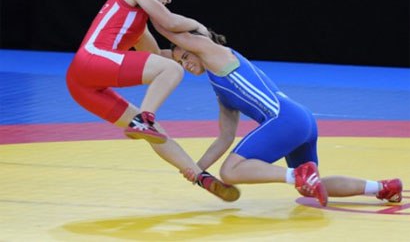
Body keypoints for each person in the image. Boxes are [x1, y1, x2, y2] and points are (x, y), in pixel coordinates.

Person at [152, 24, 403, 206]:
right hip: (300, 120)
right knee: (312, 187)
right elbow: (224, 138)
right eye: (180, 62)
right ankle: (382, 188)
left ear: (198, 45)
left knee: (231, 171)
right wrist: (195, 169)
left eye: (186, 56)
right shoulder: (221, 89)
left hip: (285, 119)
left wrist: (144, 4)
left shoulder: (218, 55)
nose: (186, 65)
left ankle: (298, 175)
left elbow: (168, 26)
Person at [66, 0, 239, 202]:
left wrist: (195, 56)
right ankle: (143, 120)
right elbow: (168, 21)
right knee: (169, 75)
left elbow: (156, 55)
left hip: (82, 84)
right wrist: (199, 27)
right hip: (92, 59)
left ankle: (199, 175)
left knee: (156, 132)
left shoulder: (137, 24)